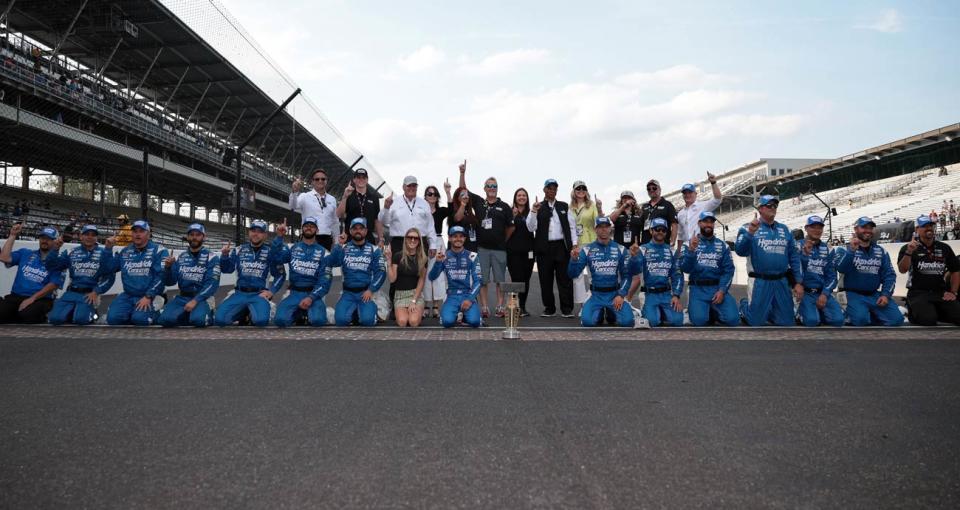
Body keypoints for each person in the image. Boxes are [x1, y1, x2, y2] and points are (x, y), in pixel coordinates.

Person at [734, 195, 804, 326]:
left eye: (775, 206)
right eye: (769, 205)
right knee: (755, 322)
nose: (773, 208)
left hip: (781, 281)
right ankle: (744, 306)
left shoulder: (785, 229)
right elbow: (740, 251)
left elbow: (794, 257)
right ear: (760, 209)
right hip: (760, 281)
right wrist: (750, 233)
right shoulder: (747, 227)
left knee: (787, 323)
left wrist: (798, 282)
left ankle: (770, 310)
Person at [459, 160, 512, 318]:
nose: (491, 188)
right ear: (484, 188)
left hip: (499, 249)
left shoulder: (505, 206)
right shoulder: (480, 203)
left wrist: (503, 240)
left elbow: (511, 227)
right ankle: (484, 307)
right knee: (482, 280)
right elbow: (463, 191)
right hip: (481, 248)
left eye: (494, 186)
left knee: (500, 280)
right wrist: (462, 173)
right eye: (489, 186)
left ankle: (500, 306)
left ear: (497, 189)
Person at [215, 219, 286, 327]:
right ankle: (245, 312)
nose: (256, 234)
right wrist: (224, 256)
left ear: (265, 235)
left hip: (259, 295)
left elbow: (280, 275)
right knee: (220, 320)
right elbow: (227, 269)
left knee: (261, 322)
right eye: (253, 230)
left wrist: (271, 292)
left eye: (260, 231)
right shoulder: (238, 250)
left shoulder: (271, 252)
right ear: (249, 232)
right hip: (239, 293)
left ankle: (269, 307)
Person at [834, 217, 904, 326]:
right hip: (851, 294)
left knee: (897, 320)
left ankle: (868, 312)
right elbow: (840, 268)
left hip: (874, 295)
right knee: (861, 321)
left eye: (870, 228)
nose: (868, 230)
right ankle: (848, 312)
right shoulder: (843, 249)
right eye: (864, 227)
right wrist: (851, 251)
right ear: (856, 229)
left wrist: (885, 295)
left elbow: (889, 275)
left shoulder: (881, 251)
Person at [567, 216, 633, 327]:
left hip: (614, 294)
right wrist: (573, 260)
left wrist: (621, 295)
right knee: (588, 322)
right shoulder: (587, 249)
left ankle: (611, 313)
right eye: (600, 227)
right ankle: (601, 311)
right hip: (595, 295)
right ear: (595, 229)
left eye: (606, 227)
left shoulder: (621, 249)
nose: (603, 230)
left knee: (627, 322)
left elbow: (627, 276)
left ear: (610, 228)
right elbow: (573, 274)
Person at [526, 179, 579, 317]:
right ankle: (549, 308)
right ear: (544, 190)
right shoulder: (538, 206)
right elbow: (530, 227)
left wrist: (574, 244)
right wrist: (533, 211)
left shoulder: (563, 206)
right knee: (545, 279)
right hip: (544, 247)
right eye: (549, 188)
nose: (552, 190)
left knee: (565, 279)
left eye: (554, 188)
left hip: (561, 246)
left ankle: (567, 309)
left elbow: (572, 226)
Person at [45, 225, 116, 325]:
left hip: (89, 294)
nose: (89, 237)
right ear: (81, 236)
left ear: (96, 238)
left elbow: (109, 276)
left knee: (80, 320)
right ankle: (73, 311)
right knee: (55, 319)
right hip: (71, 292)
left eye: (93, 235)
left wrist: (96, 292)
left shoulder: (104, 253)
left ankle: (91, 313)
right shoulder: (71, 252)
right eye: (86, 234)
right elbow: (51, 266)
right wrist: (55, 249)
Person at [102, 220, 168, 325]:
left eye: (141, 231)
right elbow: (109, 269)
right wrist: (108, 249)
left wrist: (148, 296)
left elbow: (161, 276)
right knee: (113, 319)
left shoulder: (159, 251)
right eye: (135, 231)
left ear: (148, 234)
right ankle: (134, 312)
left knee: (139, 320)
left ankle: (157, 311)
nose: (137, 234)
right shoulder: (125, 251)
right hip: (128, 295)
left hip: (149, 295)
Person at [897, 215, 960, 326]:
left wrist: (953, 292)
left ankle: (934, 311)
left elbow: (955, 270)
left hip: (940, 293)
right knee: (928, 320)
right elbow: (902, 269)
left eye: (931, 225)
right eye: (925, 226)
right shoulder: (909, 248)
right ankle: (911, 309)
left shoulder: (944, 248)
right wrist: (909, 252)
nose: (929, 228)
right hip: (918, 293)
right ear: (917, 229)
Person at [679, 211, 739, 327]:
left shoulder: (723, 246)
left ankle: (715, 310)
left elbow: (729, 270)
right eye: (705, 221)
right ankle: (704, 310)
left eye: (711, 222)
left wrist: (722, 290)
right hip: (698, 289)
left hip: (717, 288)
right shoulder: (688, 244)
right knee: (699, 321)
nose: (708, 224)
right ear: (699, 223)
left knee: (733, 320)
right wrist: (691, 251)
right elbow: (685, 268)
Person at [272, 217, 332, 328]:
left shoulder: (324, 252)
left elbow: (325, 280)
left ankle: (325, 312)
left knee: (318, 321)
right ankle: (299, 313)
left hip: (313, 294)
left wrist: (311, 298)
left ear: (317, 230)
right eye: (306, 226)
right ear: (302, 229)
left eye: (312, 226)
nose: (309, 228)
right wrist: (279, 237)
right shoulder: (291, 247)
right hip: (294, 293)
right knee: (280, 321)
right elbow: (276, 258)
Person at [158, 223, 221, 327]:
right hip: (182, 297)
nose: (194, 237)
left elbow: (212, 284)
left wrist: (195, 300)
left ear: (203, 237)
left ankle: (210, 314)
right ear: (187, 237)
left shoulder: (212, 257)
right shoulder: (181, 257)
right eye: (191, 234)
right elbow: (171, 282)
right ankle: (188, 315)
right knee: (164, 320)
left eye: (198, 235)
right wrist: (168, 268)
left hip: (202, 298)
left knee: (198, 321)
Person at [327, 218, 386, 326]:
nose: (358, 231)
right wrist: (339, 244)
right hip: (347, 293)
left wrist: (371, 290)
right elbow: (332, 262)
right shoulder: (343, 248)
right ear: (350, 231)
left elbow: (381, 272)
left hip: (366, 293)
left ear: (366, 231)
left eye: (361, 228)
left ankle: (375, 309)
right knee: (340, 321)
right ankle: (355, 312)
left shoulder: (374, 249)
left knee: (367, 321)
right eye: (355, 228)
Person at [0, 224, 64, 323]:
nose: (44, 241)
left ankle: (43, 316)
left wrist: (32, 299)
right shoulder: (25, 253)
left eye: (49, 239)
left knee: (28, 315)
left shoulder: (58, 261)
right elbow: (4, 258)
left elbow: (53, 285)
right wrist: (12, 235)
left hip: (41, 299)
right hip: (16, 295)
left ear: (55, 241)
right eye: (42, 238)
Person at [627, 218, 684, 327]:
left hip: (666, 294)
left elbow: (677, 275)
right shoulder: (642, 249)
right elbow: (634, 270)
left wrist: (676, 295)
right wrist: (633, 257)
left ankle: (662, 312)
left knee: (678, 321)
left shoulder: (671, 251)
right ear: (651, 231)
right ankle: (640, 312)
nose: (660, 232)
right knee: (652, 322)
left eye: (663, 230)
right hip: (649, 294)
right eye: (657, 229)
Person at [429, 226, 483, 328]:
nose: (458, 239)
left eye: (461, 236)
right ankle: (455, 315)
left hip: (467, 294)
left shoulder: (473, 256)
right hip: (451, 296)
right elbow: (431, 277)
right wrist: (437, 262)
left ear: (465, 239)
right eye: (455, 236)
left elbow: (479, 281)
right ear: (449, 238)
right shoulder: (444, 256)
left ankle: (465, 316)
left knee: (475, 322)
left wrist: (470, 299)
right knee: (447, 322)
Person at [796, 215, 843, 327]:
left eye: (820, 228)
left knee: (838, 321)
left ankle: (817, 313)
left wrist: (825, 294)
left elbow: (832, 277)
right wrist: (804, 255)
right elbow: (793, 270)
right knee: (811, 322)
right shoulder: (797, 246)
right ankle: (799, 312)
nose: (817, 230)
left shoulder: (828, 249)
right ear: (806, 228)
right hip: (804, 293)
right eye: (813, 227)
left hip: (821, 292)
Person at [570, 181, 601, 314]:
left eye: (583, 188)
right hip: (577, 243)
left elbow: (599, 222)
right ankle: (583, 306)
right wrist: (573, 244)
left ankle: (596, 303)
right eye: (578, 188)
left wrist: (599, 207)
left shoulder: (591, 206)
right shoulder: (570, 207)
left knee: (593, 274)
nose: (581, 190)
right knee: (578, 276)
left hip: (591, 242)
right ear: (574, 191)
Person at [386, 228, 427, 327]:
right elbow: (392, 279)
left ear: (419, 241)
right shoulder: (398, 256)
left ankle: (418, 312)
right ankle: (406, 312)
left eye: (415, 238)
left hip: (415, 295)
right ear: (405, 239)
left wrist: (414, 301)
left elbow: (421, 280)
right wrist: (388, 261)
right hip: (400, 295)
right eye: (410, 238)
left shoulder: (423, 258)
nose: (412, 240)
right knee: (402, 322)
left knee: (413, 322)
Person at [289, 168, 339, 250]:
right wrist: (294, 192)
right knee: (308, 262)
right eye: (317, 179)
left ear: (326, 181)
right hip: (309, 236)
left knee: (324, 262)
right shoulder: (304, 196)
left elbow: (335, 221)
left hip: (327, 239)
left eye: (323, 179)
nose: (320, 181)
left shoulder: (332, 199)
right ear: (312, 182)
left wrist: (337, 241)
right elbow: (292, 206)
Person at [505, 188, 535, 317]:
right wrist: (512, 216)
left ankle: (522, 307)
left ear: (527, 198)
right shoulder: (510, 211)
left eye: (524, 195)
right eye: (519, 195)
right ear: (515, 197)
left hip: (529, 252)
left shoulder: (532, 212)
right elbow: (505, 229)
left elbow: (534, 227)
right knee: (517, 279)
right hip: (513, 251)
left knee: (526, 280)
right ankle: (514, 306)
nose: (521, 197)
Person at [422, 183, 450, 318]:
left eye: (434, 194)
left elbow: (452, 210)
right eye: (429, 194)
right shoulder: (421, 211)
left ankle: (437, 306)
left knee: (438, 273)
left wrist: (448, 192)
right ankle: (427, 304)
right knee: (426, 272)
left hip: (438, 241)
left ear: (437, 196)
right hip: (424, 242)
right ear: (425, 197)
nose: (432, 196)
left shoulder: (441, 211)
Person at [336, 168, 383, 245]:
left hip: (368, 239)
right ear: (354, 180)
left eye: (363, 178)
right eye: (358, 177)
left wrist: (381, 238)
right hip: (350, 239)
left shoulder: (374, 198)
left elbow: (377, 220)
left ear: (367, 180)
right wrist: (344, 197)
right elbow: (338, 214)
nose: (361, 180)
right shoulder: (348, 195)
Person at [676, 172, 722, 249]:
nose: (687, 195)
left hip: (702, 246)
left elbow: (717, 199)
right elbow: (680, 235)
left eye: (690, 192)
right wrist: (679, 251)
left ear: (695, 194)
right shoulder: (680, 213)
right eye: (685, 193)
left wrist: (713, 183)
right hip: (687, 248)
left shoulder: (703, 205)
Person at [639, 179, 679, 246]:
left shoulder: (668, 205)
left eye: (654, 188)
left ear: (660, 189)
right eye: (649, 189)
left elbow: (674, 225)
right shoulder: (644, 207)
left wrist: (672, 242)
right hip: (646, 246)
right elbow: (639, 226)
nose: (651, 190)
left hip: (662, 245)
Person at [448, 186, 480, 252]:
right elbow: (458, 218)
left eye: (467, 194)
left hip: (472, 249)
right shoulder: (453, 211)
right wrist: (463, 204)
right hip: (457, 251)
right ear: (457, 198)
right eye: (462, 195)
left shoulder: (470, 213)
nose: (465, 196)